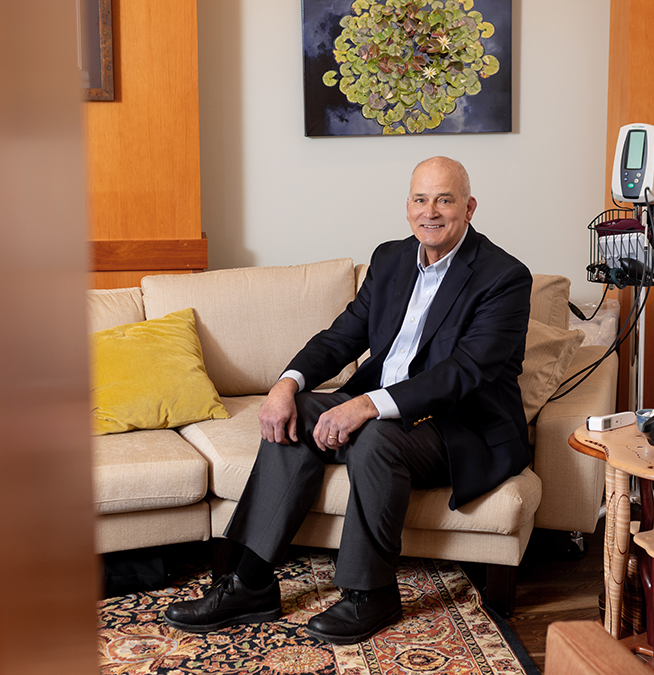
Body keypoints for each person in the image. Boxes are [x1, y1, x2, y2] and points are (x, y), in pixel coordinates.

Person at [163, 156, 532, 644]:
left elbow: (465, 372)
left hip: (460, 426)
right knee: (297, 414)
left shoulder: (504, 276)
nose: (431, 211)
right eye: (421, 199)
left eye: (445, 199)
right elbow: (342, 337)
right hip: (391, 411)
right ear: (407, 208)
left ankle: (371, 593)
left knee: (375, 436)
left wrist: (366, 404)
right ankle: (251, 583)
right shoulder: (391, 259)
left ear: (469, 206)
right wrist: (286, 384)